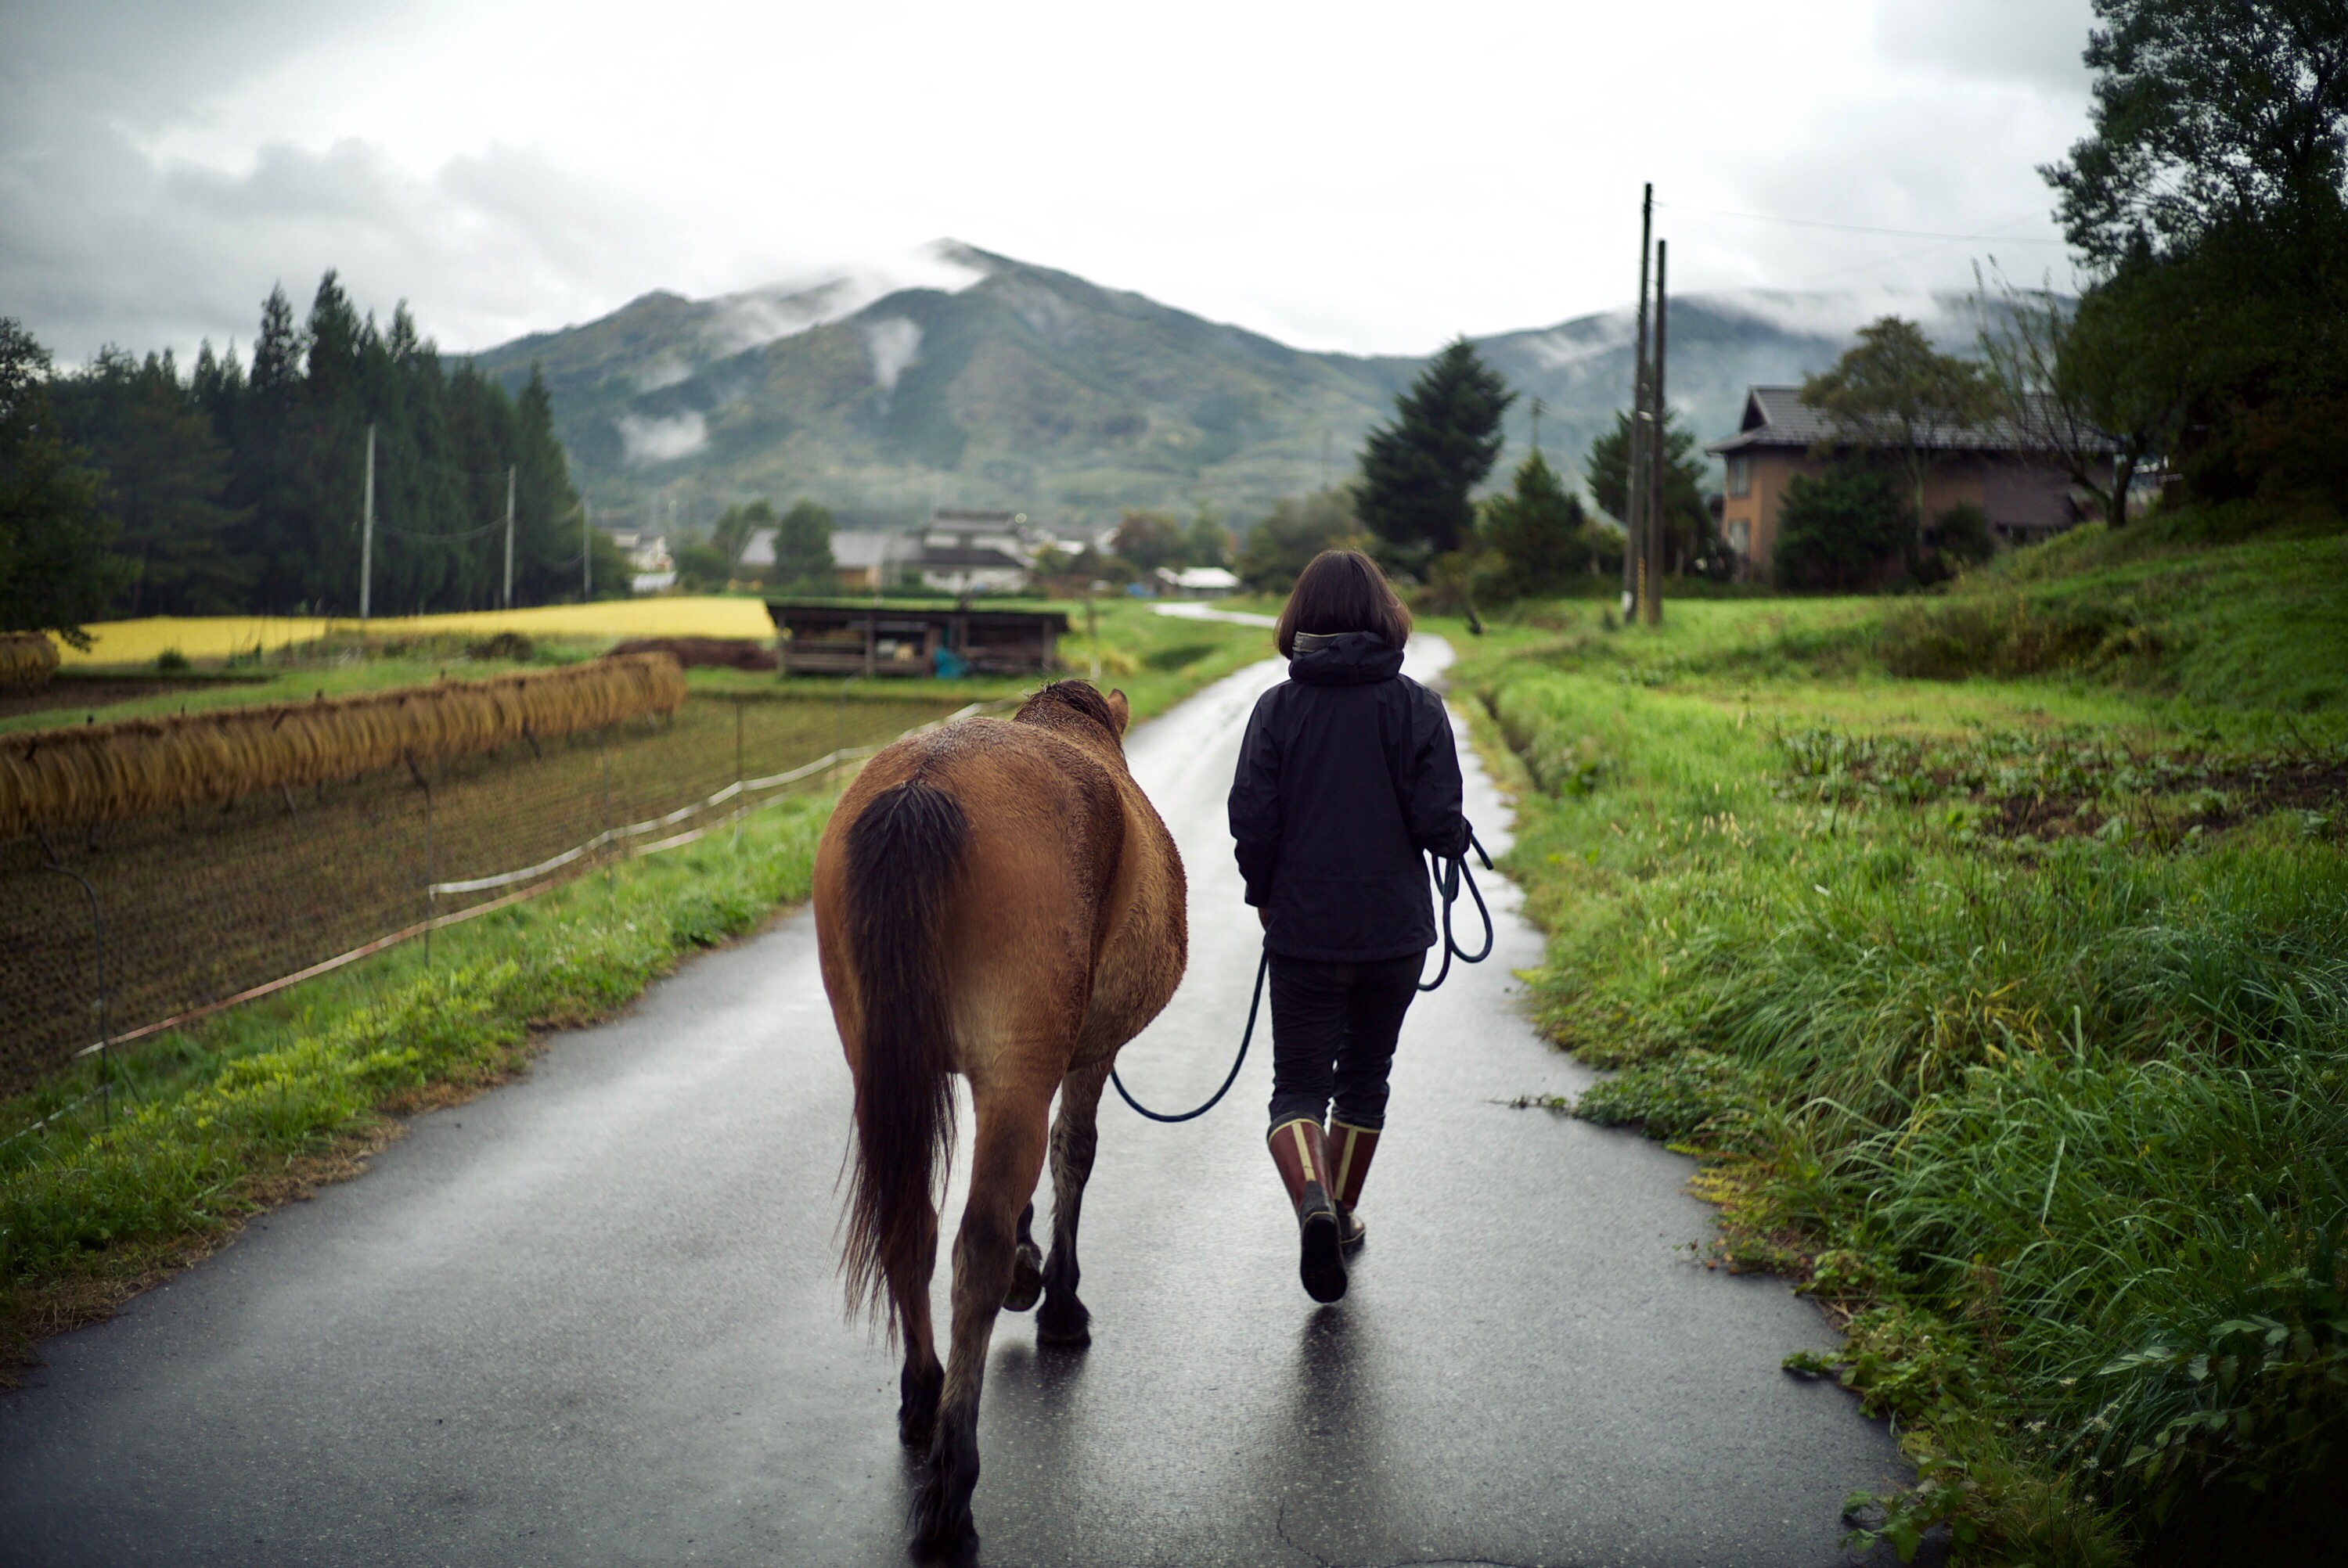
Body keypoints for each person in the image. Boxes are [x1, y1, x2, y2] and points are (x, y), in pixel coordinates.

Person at [1226, 548, 1470, 1304]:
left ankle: (1314, 1208)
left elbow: (1251, 820)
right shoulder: (1418, 707)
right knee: (1364, 1084)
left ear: (1300, 620)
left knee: (1296, 1089)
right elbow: (1438, 823)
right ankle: (1344, 1211)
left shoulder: (1276, 710)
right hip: (1394, 934)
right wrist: (1456, 839)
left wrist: (1264, 893)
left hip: (1305, 932)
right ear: (1383, 616)